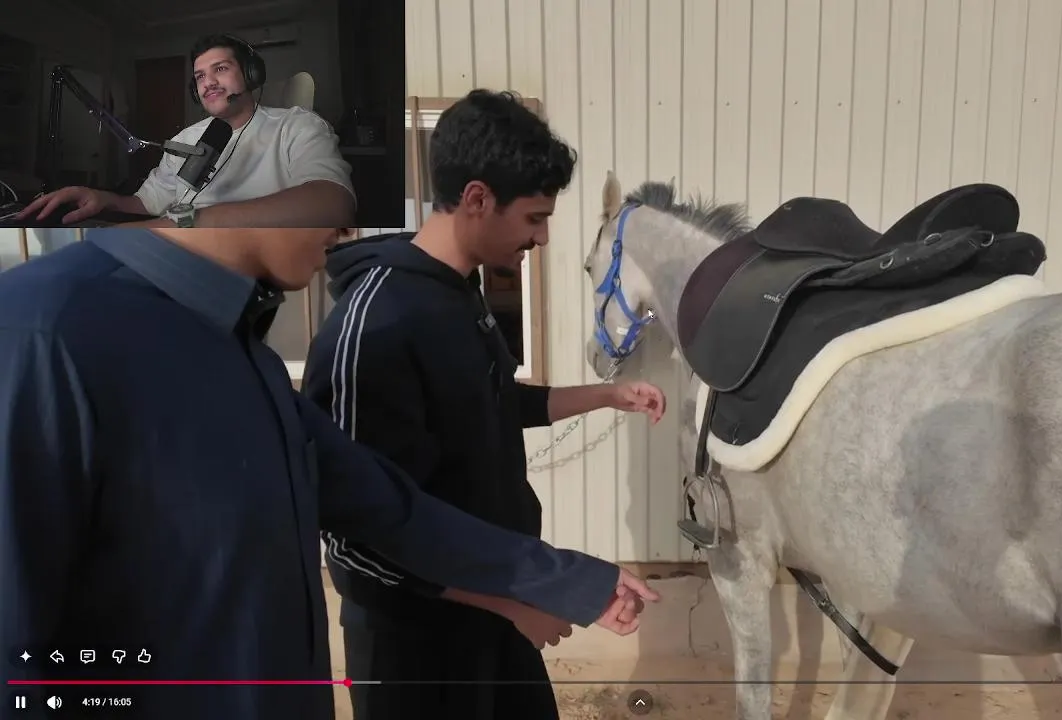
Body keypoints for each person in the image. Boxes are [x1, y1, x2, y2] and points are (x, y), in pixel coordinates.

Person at [0, 227, 659, 720]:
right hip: (418, 634)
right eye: (332, 190)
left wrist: (569, 580)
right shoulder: (42, 330)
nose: (344, 227)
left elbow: (390, 508)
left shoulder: (244, 356)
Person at [300, 89, 668, 720]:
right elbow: (361, 538)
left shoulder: (458, 292)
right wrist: (523, 597)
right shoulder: (379, 322)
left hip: (497, 605)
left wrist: (607, 395)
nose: (543, 238)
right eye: (534, 218)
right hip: (416, 649)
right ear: (476, 199)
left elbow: (489, 400)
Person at [15, 34, 354, 228]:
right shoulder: (185, 140)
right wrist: (105, 199)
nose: (208, 83)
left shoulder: (297, 125)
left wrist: (192, 221)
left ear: (250, 74)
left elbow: (333, 204)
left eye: (220, 69)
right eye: (200, 76)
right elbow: (148, 203)